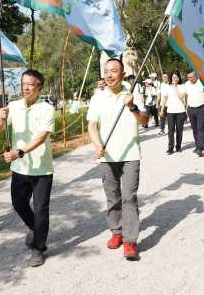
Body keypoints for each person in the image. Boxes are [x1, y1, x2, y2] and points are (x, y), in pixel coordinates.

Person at [87, 58, 149, 261]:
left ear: (122, 75)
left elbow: (145, 121)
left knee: (129, 197)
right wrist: (97, 145)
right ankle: (116, 232)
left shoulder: (133, 93)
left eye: (114, 71)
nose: (110, 75)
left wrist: (132, 107)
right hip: (107, 156)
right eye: (106, 71)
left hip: (131, 154)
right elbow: (92, 126)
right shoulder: (97, 98)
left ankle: (130, 241)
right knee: (112, 197)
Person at [0, 69, 55, 268]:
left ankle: (39, 248)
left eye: (30, 84)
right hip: (20, 168)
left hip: (41, 169)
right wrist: (1, 118)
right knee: (18, 203)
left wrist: (19, 151)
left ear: (39, 87)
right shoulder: (14, 106)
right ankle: (34, 228)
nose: (26, 87)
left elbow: (42, 137)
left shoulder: (46, 108)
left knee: (40, 210)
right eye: (23, 84)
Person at [159, 71, 187, 154]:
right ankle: (170, 148)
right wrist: (161, 110)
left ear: (179, 78)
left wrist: (175, 87)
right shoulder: (167, 87)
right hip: (170, 112)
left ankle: (178, 146)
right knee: (170, 130)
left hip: (180, 111)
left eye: (176, 77)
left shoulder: (182, 86)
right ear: (171, 78)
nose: (174, 79)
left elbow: (181, 97)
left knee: (179, 130)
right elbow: (164, 99)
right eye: (173, 77)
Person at [184, 71, 204, 157]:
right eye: (189, 77)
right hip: (191, 109)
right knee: (194, 129)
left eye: (192, 77)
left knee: (200, 128)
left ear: (196, 76)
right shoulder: (186, 84)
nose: (190, 79)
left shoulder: (203, 83)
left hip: (202, 108)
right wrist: (186, 108)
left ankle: (199, 148)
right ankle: (198, 145)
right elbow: (186, 96)